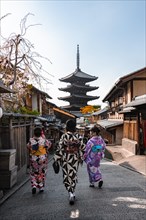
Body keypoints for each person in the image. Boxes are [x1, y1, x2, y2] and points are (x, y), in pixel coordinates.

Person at [53, 119, 85, 205]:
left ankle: (70, 192)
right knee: (73, 174)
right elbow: (82, 147)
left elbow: (59, 148)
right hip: (74, 158)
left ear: (67, 127)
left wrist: (56, 158)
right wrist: (81, 156)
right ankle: (72, 192)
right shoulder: (78, 136)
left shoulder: (64, 136)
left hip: (66, 159)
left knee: (67, 175)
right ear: (74, 127)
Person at [27, 126, 52, 194]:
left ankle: (34, 185)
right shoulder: (43, 140)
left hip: (34, 159)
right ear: (41, 133)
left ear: (34, 133)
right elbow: (49, 145)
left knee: (33, 172)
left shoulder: (31, 140)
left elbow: (28, 147)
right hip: (42, 159)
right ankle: (41, 187)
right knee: (42, 172)